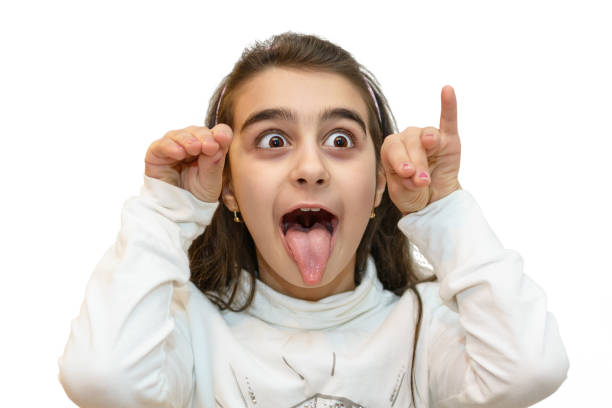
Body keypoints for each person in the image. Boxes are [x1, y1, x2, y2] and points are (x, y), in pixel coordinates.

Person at [57, 32, 569, 407]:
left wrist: (444, 208)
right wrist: (168, 211)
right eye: (273, 141)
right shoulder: (185, 329)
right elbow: (103, 380)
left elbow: (529, 369)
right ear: (229, 187)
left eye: (340, 140)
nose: (310, 168)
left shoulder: (425, 326)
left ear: (377, 187)